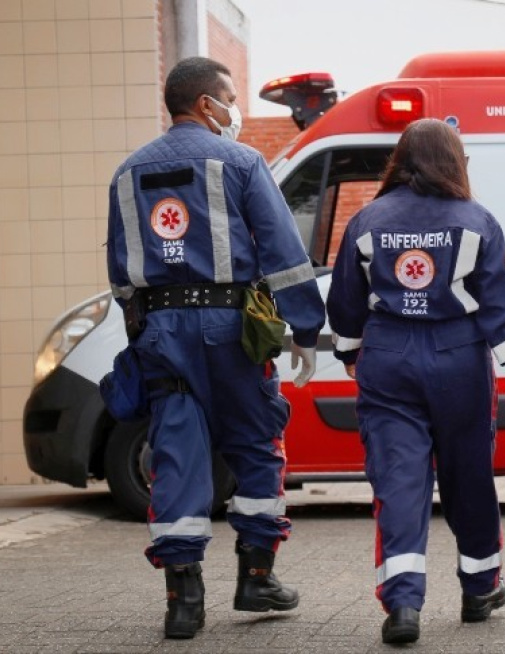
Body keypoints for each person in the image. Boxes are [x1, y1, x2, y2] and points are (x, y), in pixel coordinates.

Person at [105, 56, 326, 639]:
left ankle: (183, 602)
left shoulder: (128, 174)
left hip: (161, 331)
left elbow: (121, 275)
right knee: (256, 442)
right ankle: (256, 578)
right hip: (232, 329)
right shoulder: (242, 162)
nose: (234, 112)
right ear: (207, 104)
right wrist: (305, 328)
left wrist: (147, 332)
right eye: (230, 98)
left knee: (176, 450)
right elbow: (282, 251)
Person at [326, 118, 505, 645]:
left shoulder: (367, 220)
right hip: (458, 359)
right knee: (469, 478)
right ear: (453, 161)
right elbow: (497, 304)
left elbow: (346, 300)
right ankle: (481, 587)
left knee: (399, 481)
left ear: (401, 158)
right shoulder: (477, 220)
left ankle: (402, 605)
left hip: (388, 357)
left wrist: (351, 351)